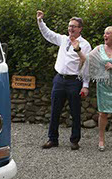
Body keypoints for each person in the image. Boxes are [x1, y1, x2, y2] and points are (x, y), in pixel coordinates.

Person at [36, 10, 92, 150]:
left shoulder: (85, 45)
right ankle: (52, 139)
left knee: (75, 112)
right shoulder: (63, 39)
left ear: (80, 29)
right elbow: (48, 34)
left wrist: (85, 85)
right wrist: (40, 21)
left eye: (73, 26)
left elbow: (87, 66)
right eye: (69, 26)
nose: (70, 29)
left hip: (75, 81)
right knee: (55, 110)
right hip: (59, 79)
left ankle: (74, 140)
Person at [73, 26, 112, 151]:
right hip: (103, 85)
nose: (105, 36)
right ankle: (101, 140)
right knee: (102, 113)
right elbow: (86, 60)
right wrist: (77, 49)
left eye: (108, 34)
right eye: (104, 33)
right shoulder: (99, 49)